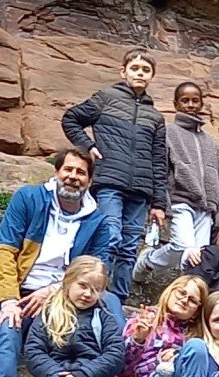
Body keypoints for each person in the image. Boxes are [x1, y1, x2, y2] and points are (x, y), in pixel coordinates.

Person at [0, 150, 118, 377]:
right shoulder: (28, 199)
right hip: (18, 291)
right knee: (7, 329)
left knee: (112, 304)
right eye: (68, 170)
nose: (73, 177)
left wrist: (54, 291)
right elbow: (4, 251)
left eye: (81, 172)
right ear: (57, 172)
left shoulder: (97, 221)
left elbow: (98, 268)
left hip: (66, 296)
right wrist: (8, 300)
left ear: (90, 181)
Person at [62, 47, 167, 303]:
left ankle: (117, 301)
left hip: (141, 189)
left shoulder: (155, 117)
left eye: (145, 70)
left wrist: (159, 203)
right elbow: (71, 119)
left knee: (130, 246)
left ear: (152, 76)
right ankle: (96, 293)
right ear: (124, 71)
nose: (140, 74)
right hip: (109, 181)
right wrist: (88, 147)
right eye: (135, 68)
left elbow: (159, 160)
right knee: (110, 237)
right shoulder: (106, 98)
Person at [135, 82, 219, 283]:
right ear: (176, 104)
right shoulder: (169, 133)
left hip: (206, 209)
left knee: (197, 258)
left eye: (195, 100)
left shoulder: (210, 142)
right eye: (185, 100)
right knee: (182, 246)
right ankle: (149, 259)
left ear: (202, 103)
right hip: (181, 201)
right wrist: (162, 204)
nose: (190, 105)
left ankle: (185, 292)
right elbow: (161, 170)